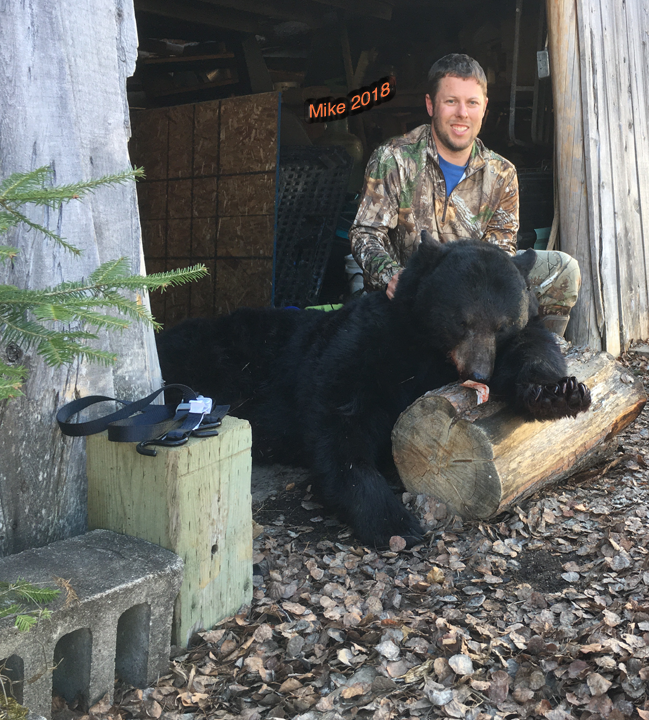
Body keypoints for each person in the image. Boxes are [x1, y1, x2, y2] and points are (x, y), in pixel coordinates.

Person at [349, 53, 580, 336]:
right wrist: (392, 276)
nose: (462, 113)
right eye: (451, 101)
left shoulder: (502, 173)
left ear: (484, 107)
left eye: (472, 102)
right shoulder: (393, 158)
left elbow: (502, 254)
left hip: (473, 296)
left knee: (564, 269)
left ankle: (541, 356)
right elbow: (365, 232)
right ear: (431, 105)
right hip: (412, 293)